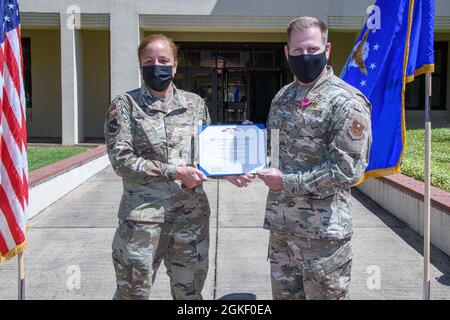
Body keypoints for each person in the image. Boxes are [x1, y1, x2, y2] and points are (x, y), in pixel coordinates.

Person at [105, 34, 251, 300]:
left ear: (175, 67)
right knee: (132, 294)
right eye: (149, 61)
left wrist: (226, 170)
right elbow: (121, 160)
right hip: (142, 221)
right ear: (140, 66)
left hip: (191, 218)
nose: (156, 66)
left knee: (190, 295)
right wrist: (175, 172)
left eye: (164, 60)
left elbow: (205, 156)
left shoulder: (195, 104)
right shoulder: (125, 104)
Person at [257, 17, 372, 300]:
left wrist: (287, 183)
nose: (304, 56)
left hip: (323, 239)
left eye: (312, 49)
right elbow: (275, 152)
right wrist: (246, 162)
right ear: (287, 53)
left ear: (327, 49)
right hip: (283, 232)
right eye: (297, 51)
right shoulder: (283, 97)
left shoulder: (346, 101)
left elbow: (348, 169)